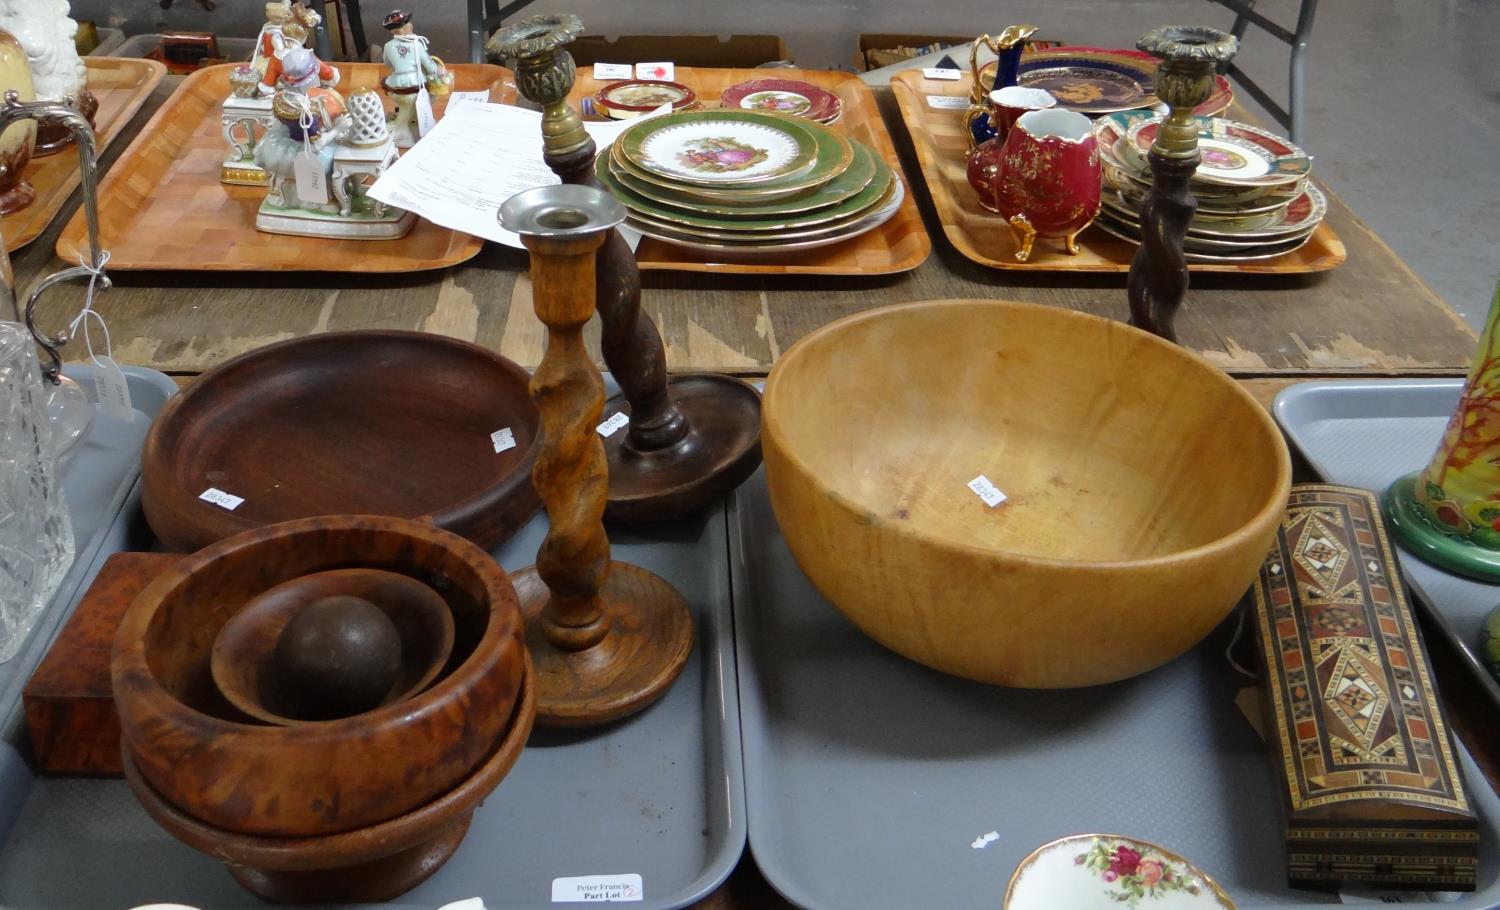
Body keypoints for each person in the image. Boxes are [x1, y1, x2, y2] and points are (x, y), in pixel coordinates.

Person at [380, 10, 439, 90]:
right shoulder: (416, 44)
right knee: (434, 88)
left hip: (395, 83)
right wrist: (437, 70)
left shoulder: (388, 46)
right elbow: (429, 65)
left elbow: (387, 64)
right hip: (416, 81)